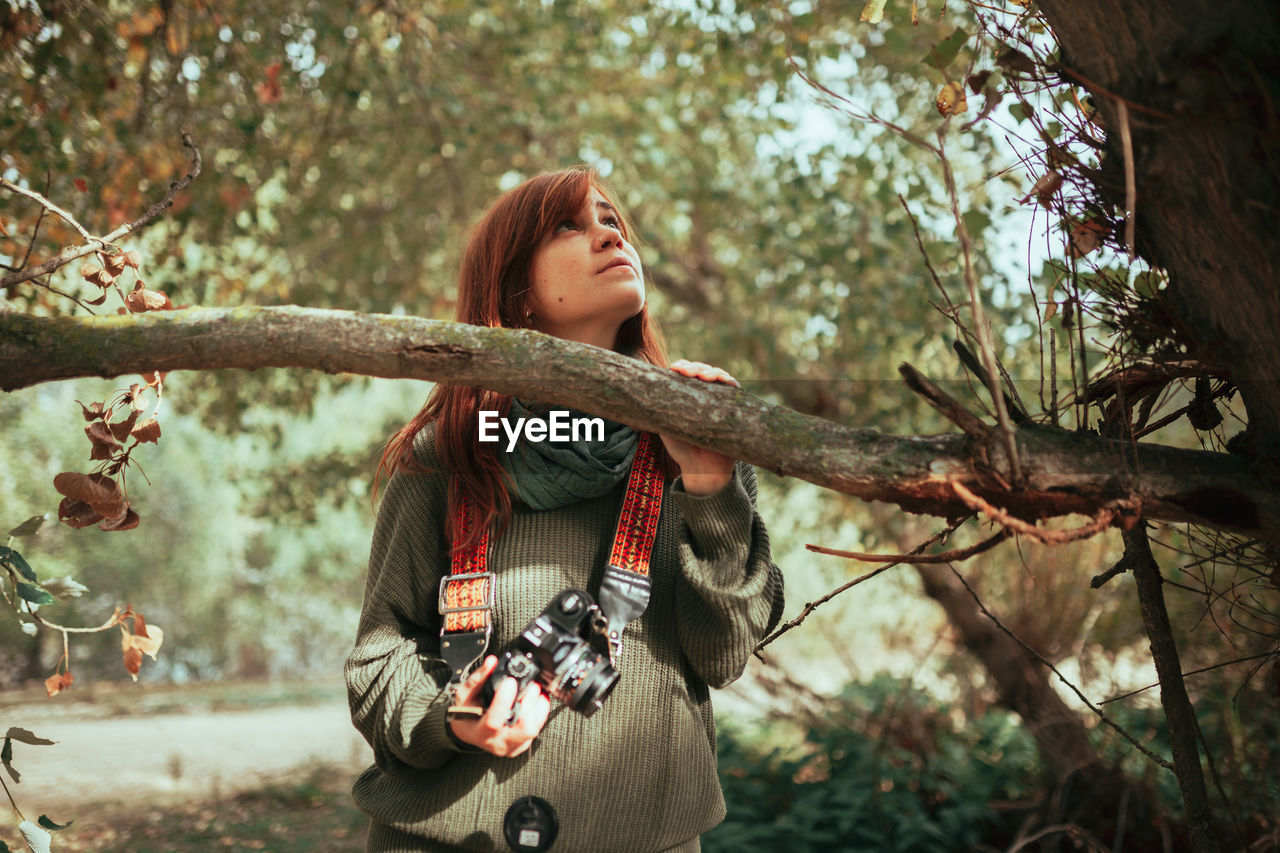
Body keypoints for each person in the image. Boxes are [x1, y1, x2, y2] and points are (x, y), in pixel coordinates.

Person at [345, 166, 784, 852]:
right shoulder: (445, 457)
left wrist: (709, 488)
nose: (609, 234)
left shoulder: (699, 442)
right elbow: (379, 658)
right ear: (515, 292)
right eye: (569, 225)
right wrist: (453, 718)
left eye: (611, 219)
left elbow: (725, 655)